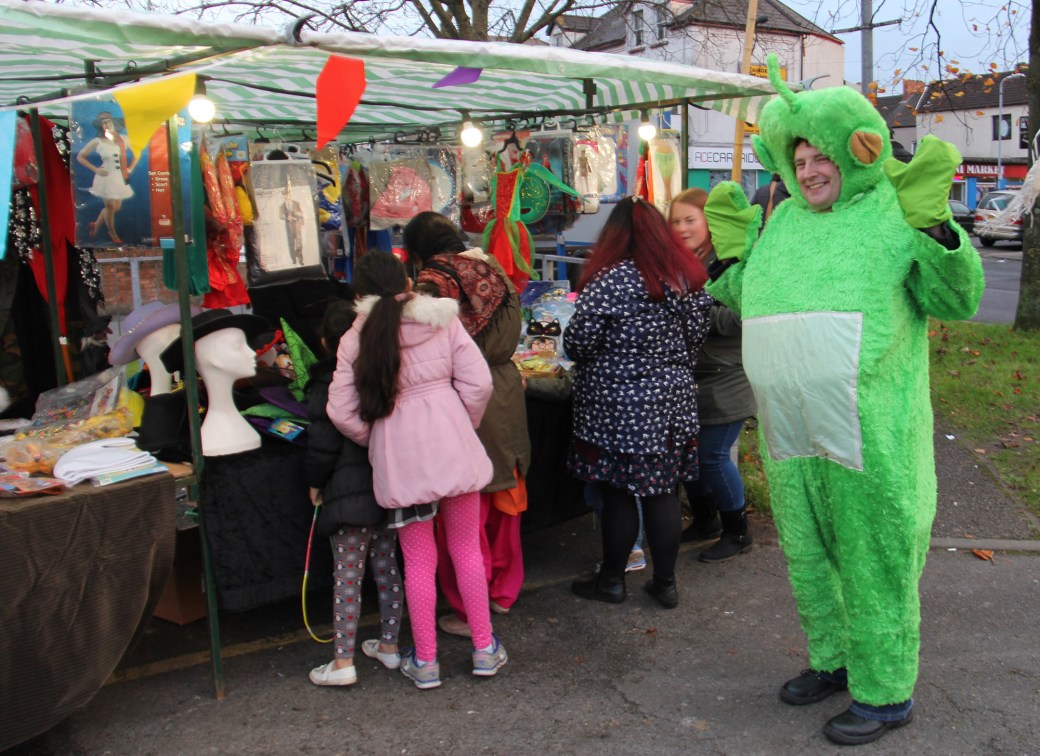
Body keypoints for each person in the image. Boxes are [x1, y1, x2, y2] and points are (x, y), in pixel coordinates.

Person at [704, 54, 984, 745]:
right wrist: (729, 262)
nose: (808, 172)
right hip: (791, 433)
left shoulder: (891, 211)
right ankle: (832, 661)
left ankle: (886, 692)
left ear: (854, 153)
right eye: (797, 162)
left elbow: (957, 298)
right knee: (808, 556)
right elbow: (750, 301)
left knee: (874, 558)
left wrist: (937, 233)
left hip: (870, 437)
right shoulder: (787, 222)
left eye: (819, 158)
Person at [327, 252, 508, 690]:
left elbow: (341, 410)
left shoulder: (356, 336)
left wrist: (379, 441)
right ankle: (484, 649)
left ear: (359, 295)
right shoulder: (442, 320)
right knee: (466, 548)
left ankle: (425, 661)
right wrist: (461, 422)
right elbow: (479, 384)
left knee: (418, 560)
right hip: (452, 447)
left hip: (402, 460)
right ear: (409, 282)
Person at [566, 196, 711, 609]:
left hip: (617, 407)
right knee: (663, 492)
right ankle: (665, 585)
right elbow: (696, 339)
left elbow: (578, 343)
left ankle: (612, 581)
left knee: (618, 494)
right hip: (672, 404)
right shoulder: (686, 278)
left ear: (615, 235)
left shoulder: (609, 281)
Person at [403, 211, 531, 638]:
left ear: (419, 249)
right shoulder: (493, 267)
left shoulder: (432, 280)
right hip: (506, 390)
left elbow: (420, 345)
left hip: (460, 396)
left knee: (463, 514)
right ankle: (503, 593)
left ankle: (466, 608)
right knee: (505, 501)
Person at [304, 298, 404, 687]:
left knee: (347, 575)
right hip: (387, 486)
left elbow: (323, 441)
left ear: (328, 343)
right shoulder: (386, 370)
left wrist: (314, 481)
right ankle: (390, 647)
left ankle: (343, 662)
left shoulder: (328, 381)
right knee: (386, 567)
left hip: (346, 493)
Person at [668, 188, 757, 562]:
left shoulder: (732, 263)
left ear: (709, 221)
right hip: (692, 377)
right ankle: (706, 521)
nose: (682, 228)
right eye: (675, 221)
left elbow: (744, 316)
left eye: (690, 220)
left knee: (713, 455)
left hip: (728, 376)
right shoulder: (678, 261)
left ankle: (738, 531)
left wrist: (698, 311)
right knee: (691, 454)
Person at [76, 111, 137, 245]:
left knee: (116, 208)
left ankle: (96, 224)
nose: (106, 125)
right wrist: (96, 169)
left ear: (115, 123)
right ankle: (112, 233)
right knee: (110, 206)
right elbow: (80, 156)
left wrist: (130, 168)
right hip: (106, 177)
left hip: (120, 177)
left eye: (108, 122)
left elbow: (136, 153)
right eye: (103, 123)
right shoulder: (97, 141)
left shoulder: (124, 139)